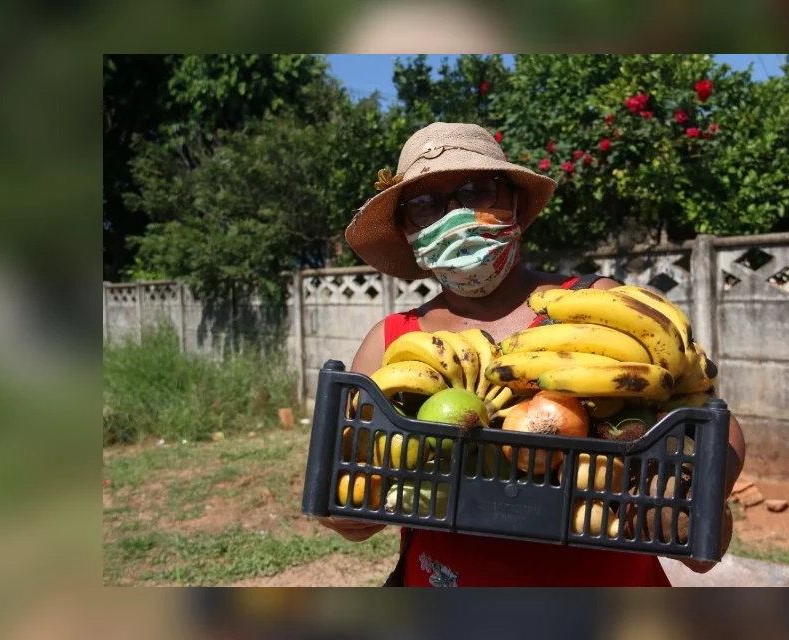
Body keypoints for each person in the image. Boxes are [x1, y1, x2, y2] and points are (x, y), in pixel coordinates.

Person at [316, 122, 746, 586]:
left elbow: (708, 415)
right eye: (425, 205)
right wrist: (342, 513)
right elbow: (348, 463)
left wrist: (700, 496)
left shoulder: (596, 306)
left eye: (477, 191)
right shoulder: (392, 338)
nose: (456, 214)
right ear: (406, 229)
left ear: (514, 203)